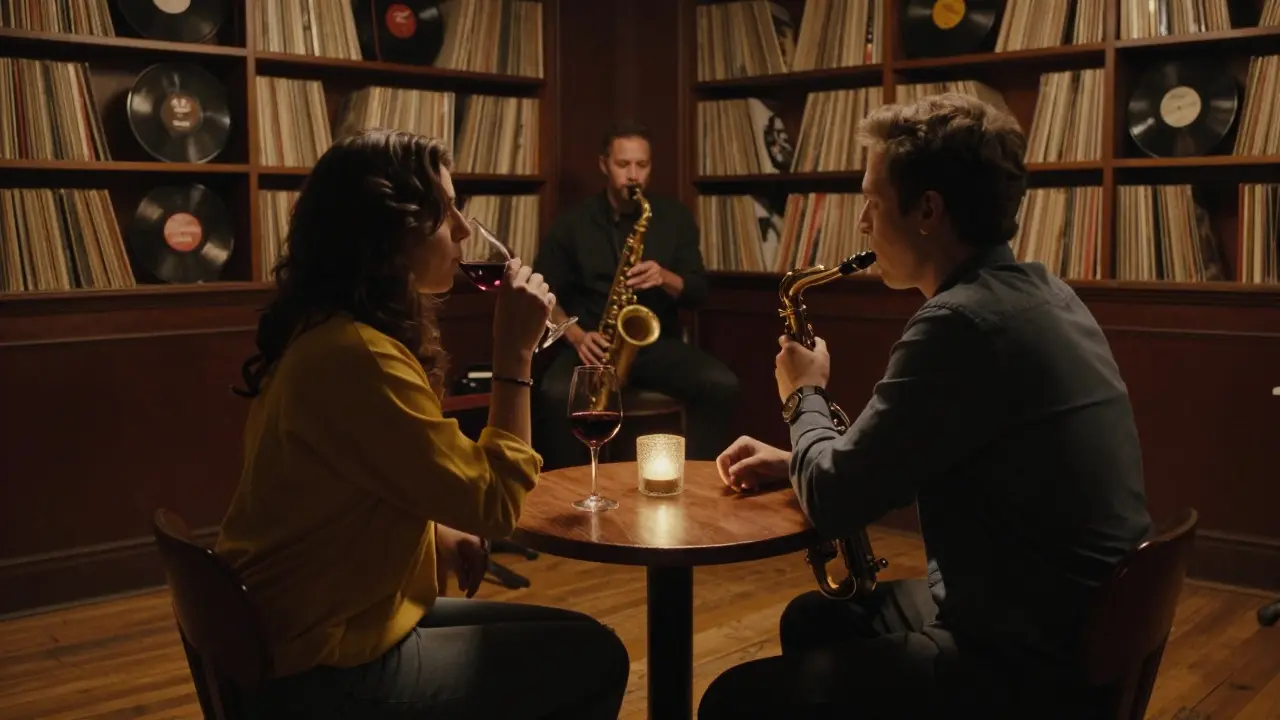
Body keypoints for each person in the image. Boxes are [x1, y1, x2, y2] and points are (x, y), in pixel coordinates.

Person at [697, 94, 1154, 718]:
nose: (862, 223)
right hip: (1078, 626)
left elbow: (834, 500)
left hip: (1024, 662)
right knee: (816, 618)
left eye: (872, 201)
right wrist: (798, 459)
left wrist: (803, 393)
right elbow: (939, 454)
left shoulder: (958, 323)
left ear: (927, 212)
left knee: (734, 700)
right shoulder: (1047, 293)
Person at [213, 129, 630, 719]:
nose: (463, 230)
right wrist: (515, 355)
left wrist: (431, 532)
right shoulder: (357, 357)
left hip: (306, 625)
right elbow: (496, 505)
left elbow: (348, 488)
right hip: (321, 666)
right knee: (594, 656)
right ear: (388, 235)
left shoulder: (327, 333)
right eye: (446, 211)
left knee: (573, 631)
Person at [532, 121, 739, 469]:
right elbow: (541, 293)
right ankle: (568, 489)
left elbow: (698, 291)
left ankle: (700, 482)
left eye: (641, 165)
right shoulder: (573, 223)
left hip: (655, 345)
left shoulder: (673, 217)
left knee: (723, 385)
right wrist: (576, 336)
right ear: (603, 164)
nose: (633, 175)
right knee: (553, 395)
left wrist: (664, 277)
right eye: (623, 164)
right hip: (593, 347)